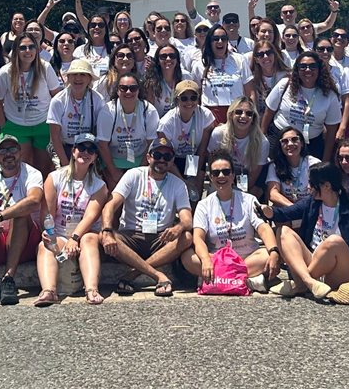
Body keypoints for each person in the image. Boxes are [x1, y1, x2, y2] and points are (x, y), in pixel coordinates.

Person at [265, 160, 349, 299]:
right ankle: (309, 282)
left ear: (327, 186)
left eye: (312, 184)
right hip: (315, 262)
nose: (309, 187)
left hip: (341, 269)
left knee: (334, 241)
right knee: (283, 231)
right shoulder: (311, 204)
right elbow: (285, 213)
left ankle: (301, 284)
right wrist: (268, 211)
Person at [100, 140, 193, 297]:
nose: (162, 160)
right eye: (157, 155)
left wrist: (178, 227)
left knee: (187, 237)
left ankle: (133, 274)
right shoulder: (133, 175)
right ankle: (158, 276)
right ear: (149, 157)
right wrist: (107, 230)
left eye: (167, 156)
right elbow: (110, 205)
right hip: (132, 235)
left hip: (160, 238)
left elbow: (187, 219)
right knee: (102, 236)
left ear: (172, 161)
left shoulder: (178, 184)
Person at [187, 149, 281, 292]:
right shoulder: (203, 205)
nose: (221, 176)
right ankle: (245, 280)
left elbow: (263, 228)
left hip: (247, 257)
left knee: (267, 255)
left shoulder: (249, 200)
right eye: (215, 173)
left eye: (226, 172)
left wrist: (274, 252)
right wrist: (206, 259)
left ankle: (216, 279)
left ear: (233, 175)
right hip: (216, 259)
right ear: (210, 177)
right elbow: (198, 238)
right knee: (187, 257)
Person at [32, 133, 109, 306]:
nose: (85, 153)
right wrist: (49, 233)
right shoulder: (54, 178)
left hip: (83, 234)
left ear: (95, 157)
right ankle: (49, 291)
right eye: (81, 148)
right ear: (73, 151)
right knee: (46, 245)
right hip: (59, 233)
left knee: (89, 239)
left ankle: (91, 290)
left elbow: (91, 215)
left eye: (91, 150)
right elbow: (48, 212)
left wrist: (75, 238)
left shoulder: (99, 185)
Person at [0, 136, 45, 307]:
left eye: (12, 150)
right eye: (3, 151)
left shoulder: (32, 173)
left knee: (20, 214)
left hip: (22, 240)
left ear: (20, 152)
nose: (8, 154)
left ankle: (8, 278)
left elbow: (34, 200)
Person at [0, 33, 62, 175]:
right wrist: (3, 126)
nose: (27, 51)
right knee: (22, 168)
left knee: (44, 168)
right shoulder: (5, 72)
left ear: (37, 50)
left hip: (43, 123)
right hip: (16, 125)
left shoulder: (45, 67)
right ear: (16, 51)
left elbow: (57, 96)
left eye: (31, 47)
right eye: (23, 48)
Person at [262, 50, 342, 162]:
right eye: (303, 66)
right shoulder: (285, 84)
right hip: (279, 140)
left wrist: (325, 160)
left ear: (319, 69)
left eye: (313, 66)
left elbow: (331, 132)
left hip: (310, 144)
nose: (308, 70)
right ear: (297, 69)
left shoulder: (330, 95)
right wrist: (262, 141)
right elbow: (268, 112)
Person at [97, 72, 160, 188]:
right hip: (113, 160)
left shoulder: (149, 111)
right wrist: (113, 171)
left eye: (133, 88)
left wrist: (140, 171)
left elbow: (152, 144)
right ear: (117, 90)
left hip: (140, 160)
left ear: (138, 90)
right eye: (123, 88)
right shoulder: (108, 111)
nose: (128, 92)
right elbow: (102, 145)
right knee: (114, 189)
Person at [156, 80, 214, 200]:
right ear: (177, 100)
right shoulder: (166, 123)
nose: (189, 102)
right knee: (179, 190)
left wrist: (194, 178)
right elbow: (167, 155)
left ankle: (194, 210)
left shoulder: (206, 115)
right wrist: (184, 182)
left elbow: (202, 151)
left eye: (193, 98)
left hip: (195, 157)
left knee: (194, 193)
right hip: (174, 159)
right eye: (184, 98)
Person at [47, 58, 109, 166]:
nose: (78, 78)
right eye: (74, 74)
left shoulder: (98, 99)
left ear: (89, 79)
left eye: (83, 74)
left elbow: (101, 131)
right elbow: (55, 136)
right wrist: (66, 164)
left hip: (89, 148)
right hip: (66, 147)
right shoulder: (58, 100)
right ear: (68, 77)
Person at [209, 97, 268, 194]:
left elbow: (254, 175)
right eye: (239, 112)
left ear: (253, 118)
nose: (243, 116)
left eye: (249, 113)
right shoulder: (218, 134)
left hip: (247, 178)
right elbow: (212, 164)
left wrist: (237, 193)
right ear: (231, 114)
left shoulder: (262, 142)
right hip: (221, 175)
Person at [192, 24, 249, 122]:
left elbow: (250, 92)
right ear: (209, 41)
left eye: (224, 38)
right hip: (210, 115)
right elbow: (196, 95)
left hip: (236, 113)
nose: (220, 41)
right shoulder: (199, 65)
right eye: (215, 39)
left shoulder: (239, 60)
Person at [266, 127, 315, 207]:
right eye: (284, 141)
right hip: (287, 209)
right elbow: (273, 194)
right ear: (280, 146)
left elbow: (317, 193)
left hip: (308, 209)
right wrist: (293, 208)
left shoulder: (313, 163)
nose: (290, 144)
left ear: (302, 143)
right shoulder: (275, 166)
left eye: (294, 139)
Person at [244, 40, 288, 105]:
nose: (265, 56)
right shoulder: (251, 80)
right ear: (256, 60)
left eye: (269, 52)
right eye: (260, 54)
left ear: (274, 55)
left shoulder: (286, 76)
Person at [143, 43, 185, 111]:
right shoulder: (151, 83)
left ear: (177, 59)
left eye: (172, 56)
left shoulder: (185, 77)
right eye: (163, 56)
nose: (168, 59)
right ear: (158, 61)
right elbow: (149, 111)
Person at [73, 12, 111, 78]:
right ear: (88, 29)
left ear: (106, 29)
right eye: (93, 25)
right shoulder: (79, 51)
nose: (96, 27)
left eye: (101, 25)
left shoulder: (113, 50)